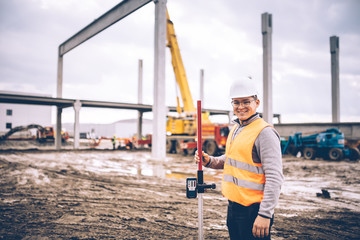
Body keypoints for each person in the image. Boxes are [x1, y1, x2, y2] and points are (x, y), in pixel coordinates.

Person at [195, 78, 283, 239]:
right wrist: (210, 161)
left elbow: (275, 177)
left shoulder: (265, 133)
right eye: (236, 102)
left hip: (254, 210)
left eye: (245, 102)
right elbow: (232, 159)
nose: (240, 107)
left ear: (256, 102)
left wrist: (265, 214)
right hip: (234, 206)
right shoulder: (237, 128)